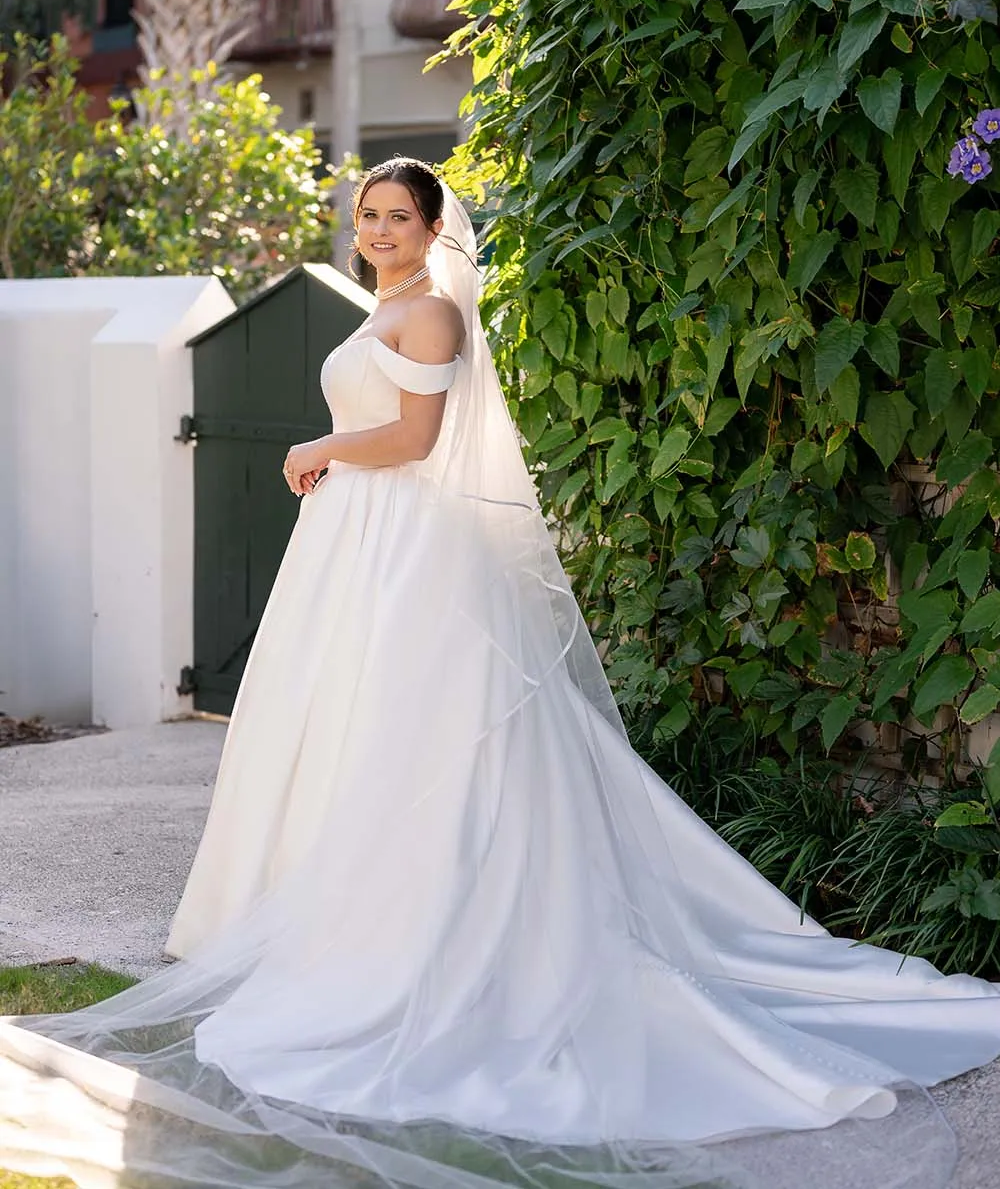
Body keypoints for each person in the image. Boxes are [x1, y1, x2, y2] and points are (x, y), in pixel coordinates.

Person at [1, 157, 999, 1189]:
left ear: (436, 227)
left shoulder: (430, 312)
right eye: (368, 214)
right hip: (361, 542)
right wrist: (335, 458)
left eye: (398, 216)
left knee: (428, 733)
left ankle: (439, 942)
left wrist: (321, 445)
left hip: (410, 548)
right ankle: (343, 927)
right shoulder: (392, 301)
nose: (378, 228)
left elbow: (417, 435)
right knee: (359, 733)